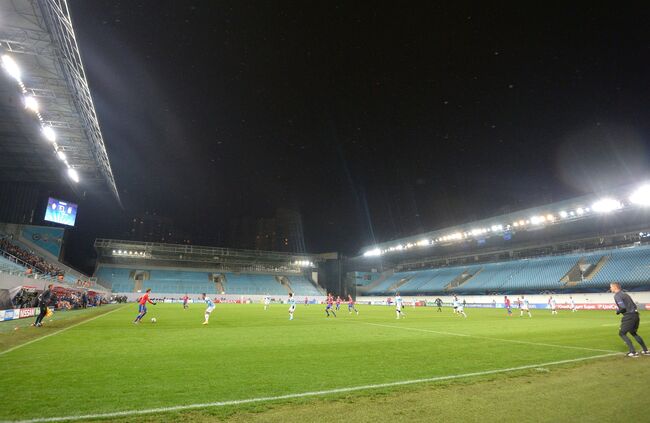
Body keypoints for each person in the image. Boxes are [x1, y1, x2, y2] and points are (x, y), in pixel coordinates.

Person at [611, 283, 649, 357]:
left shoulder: (617, 295)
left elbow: (622, 308)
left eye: (611, 287)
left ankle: (633, 352)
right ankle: (645, 350)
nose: (610, 289)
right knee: (633, 333)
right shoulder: (625, 294)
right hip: (636, 315)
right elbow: (634, 305)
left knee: (622, 333)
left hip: (629, 316)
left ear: (615, 287)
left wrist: (617, 312)